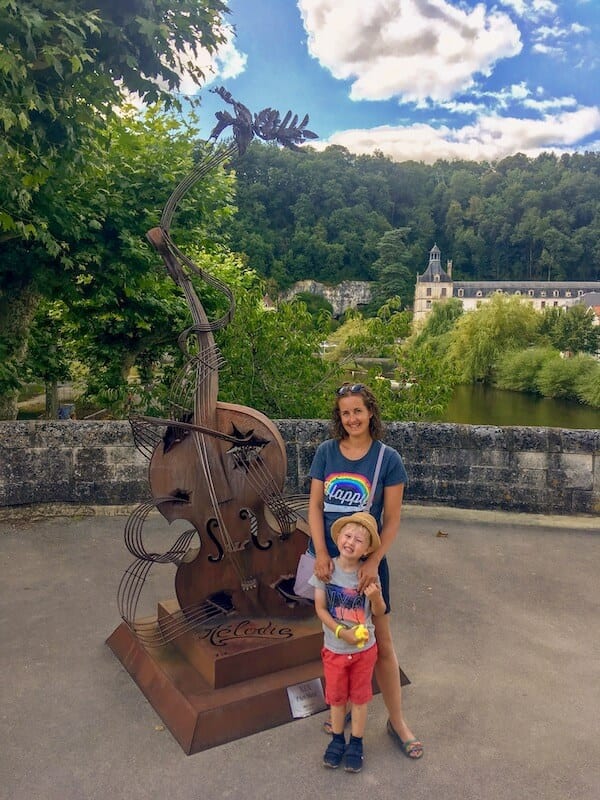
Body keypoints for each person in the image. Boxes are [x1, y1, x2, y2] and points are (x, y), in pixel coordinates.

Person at [308, 382, 424, 760]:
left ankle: (397, 720)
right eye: (345, 413)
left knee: (381, 645)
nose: (352, 418)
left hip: (366, 568)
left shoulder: (387, 459)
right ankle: (339, 719)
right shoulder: (326, 453)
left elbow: (390, 521)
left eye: (358, 410)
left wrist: (373, 561)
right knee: (334, 641)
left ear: (370, 412)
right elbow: (314, 508)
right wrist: (321, 553)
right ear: (338, 418)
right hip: (328, 563)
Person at [310, 512, 386, 772]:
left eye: (359, 540)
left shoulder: (368, 576)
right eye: (348, 535)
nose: (351, 542)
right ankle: (337, 740)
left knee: (361, 697)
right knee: (337, 698)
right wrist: (343, 633)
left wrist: (375, 597)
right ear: (339, 537)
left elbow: (378, 610)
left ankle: (357, 742)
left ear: (366, 550)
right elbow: (320, 609)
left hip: (365, 650)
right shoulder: (326, 570)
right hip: (335, 648)